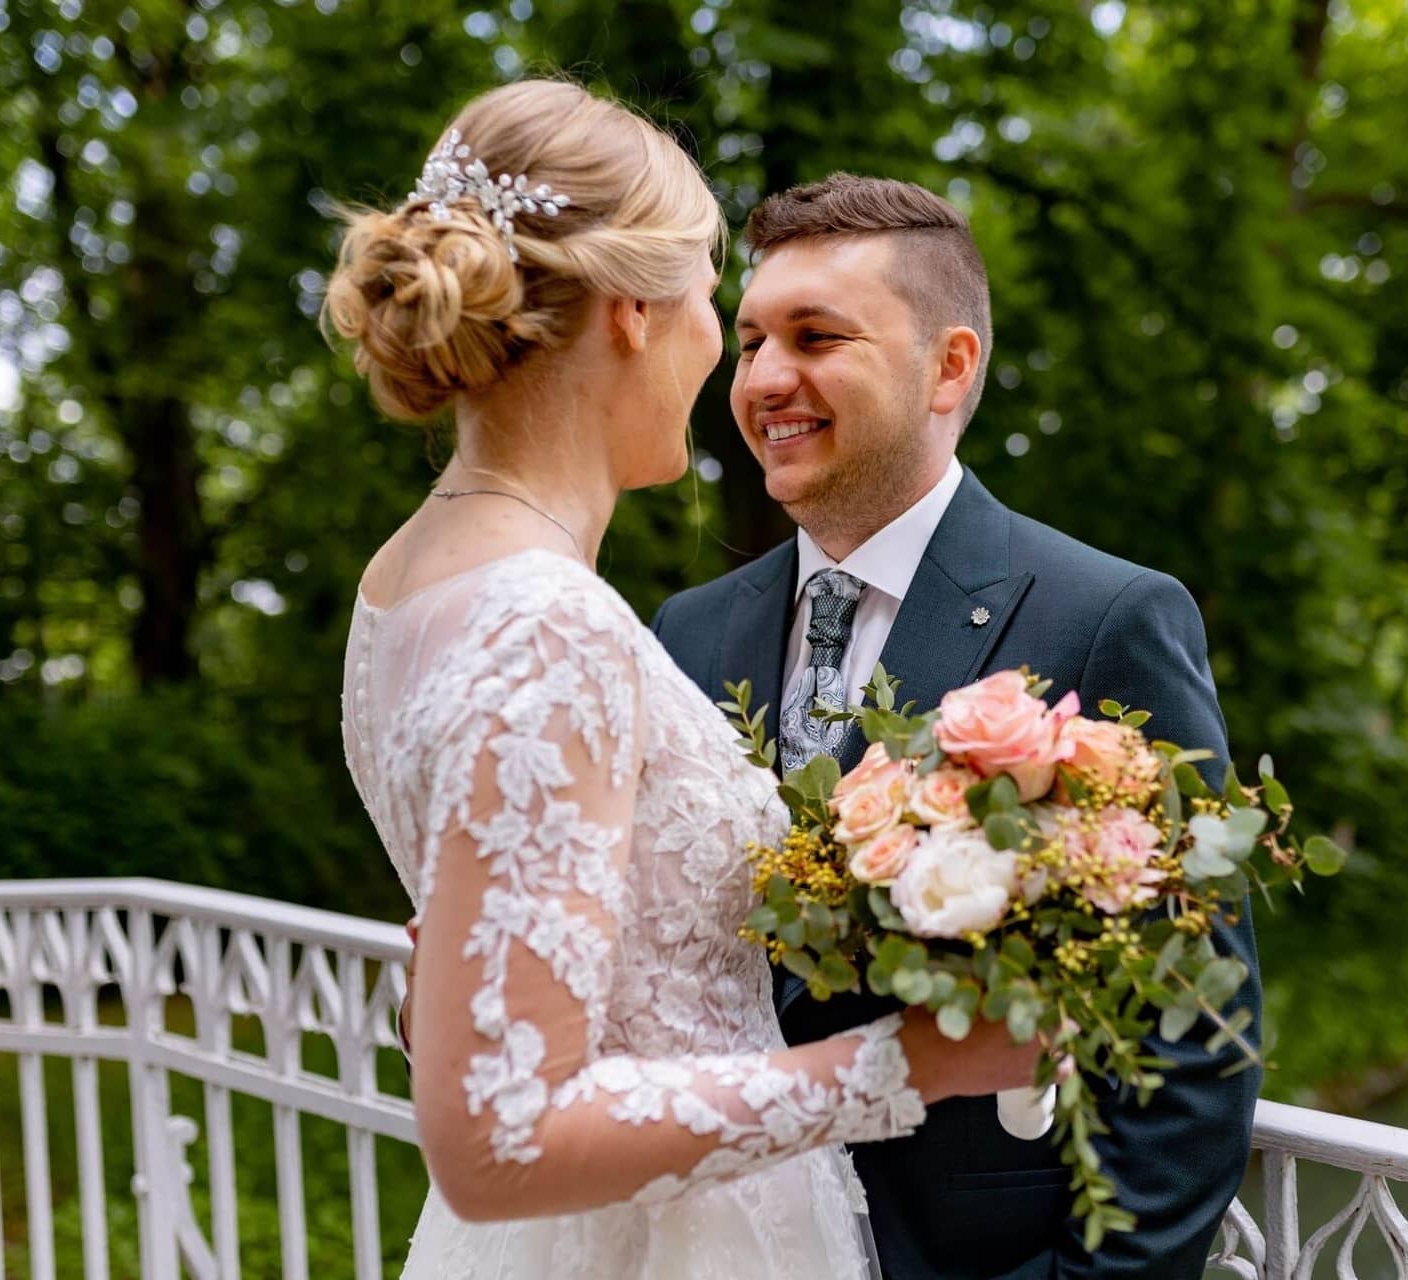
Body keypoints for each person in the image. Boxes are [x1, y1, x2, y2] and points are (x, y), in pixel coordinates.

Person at [330, 82, 1040, 1280]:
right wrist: (912, 1064)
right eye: (715, 304)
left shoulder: (403, 579)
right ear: (629, 314)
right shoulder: (550, 624)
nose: (729, 355)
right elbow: (499, 1138)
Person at [651, 174, 1262, 1279]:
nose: (766, 379)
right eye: (747, 341)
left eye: (816, 335)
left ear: (950, 365)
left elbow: (1191, 1032)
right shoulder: (684, 633)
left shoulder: (1105, 616)